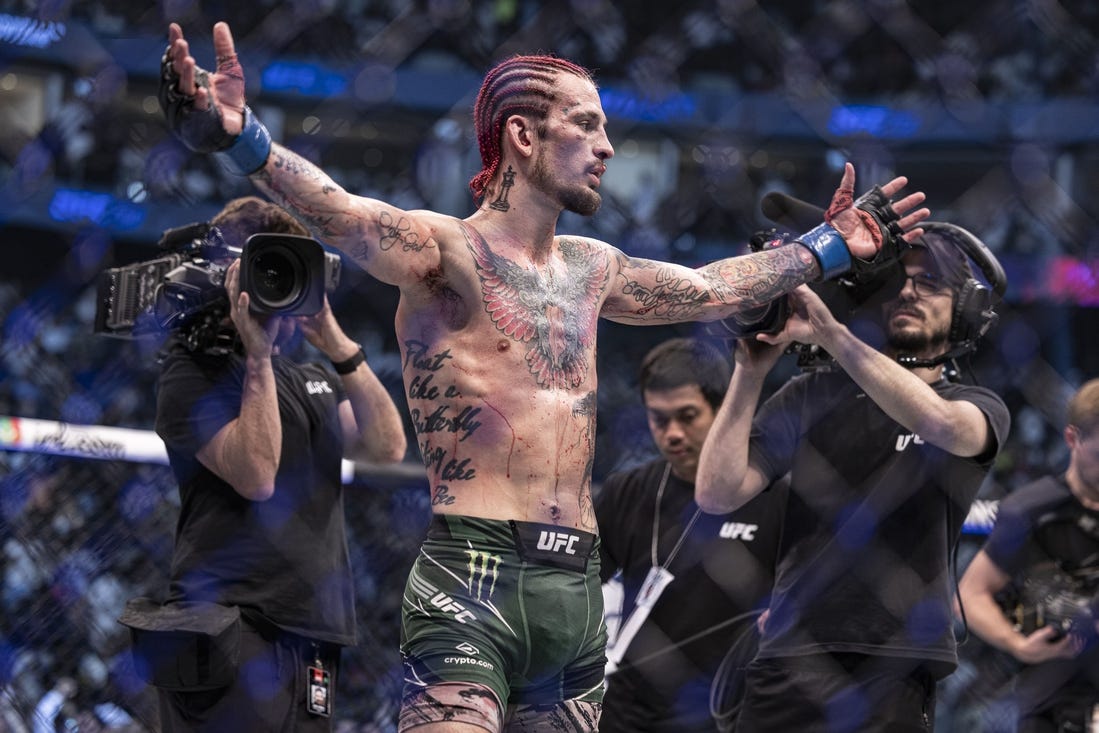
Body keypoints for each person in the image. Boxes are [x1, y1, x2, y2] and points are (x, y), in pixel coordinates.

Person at [159, 20, 931, 732]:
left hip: (574, 586)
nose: (608, 147)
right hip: (472, 569)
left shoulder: (593, 268)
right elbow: (345, 214)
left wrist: (826, 247)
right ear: (523, 135)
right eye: (587, 124)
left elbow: (709, 288)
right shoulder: (445, 253)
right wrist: (239, 136)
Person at [696, 222, 1012, 731]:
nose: (908, 291)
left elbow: (938, 424)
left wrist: (831, 334)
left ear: (966, 309)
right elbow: (716, 492)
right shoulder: (813, 394)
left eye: (929, 281)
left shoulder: (974, 405)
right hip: (789, 653)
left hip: (896, 658)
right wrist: (749, 372)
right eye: (899, 281)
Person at [134, 196, 407, 731]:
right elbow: (257, 475)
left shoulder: (310, 380)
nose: (278, 292)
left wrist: (336, 343)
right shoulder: (191, 374)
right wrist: (256, 355)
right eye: (265, 272)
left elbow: (386, 446)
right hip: (230, 627)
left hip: (313, 631)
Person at [595, 336, 787, 732]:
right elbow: (581, 584)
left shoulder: (774, 496)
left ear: (721, 410)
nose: (673, 434)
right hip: (626, 707)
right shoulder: (627, 491)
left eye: (687, 416)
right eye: (659, 419)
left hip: (725, 708)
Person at [957, 379, 1099, 732]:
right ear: (1073, 439)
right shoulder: (1030, 510)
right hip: (1054, 702)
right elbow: (971, 594)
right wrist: (1019, 645)